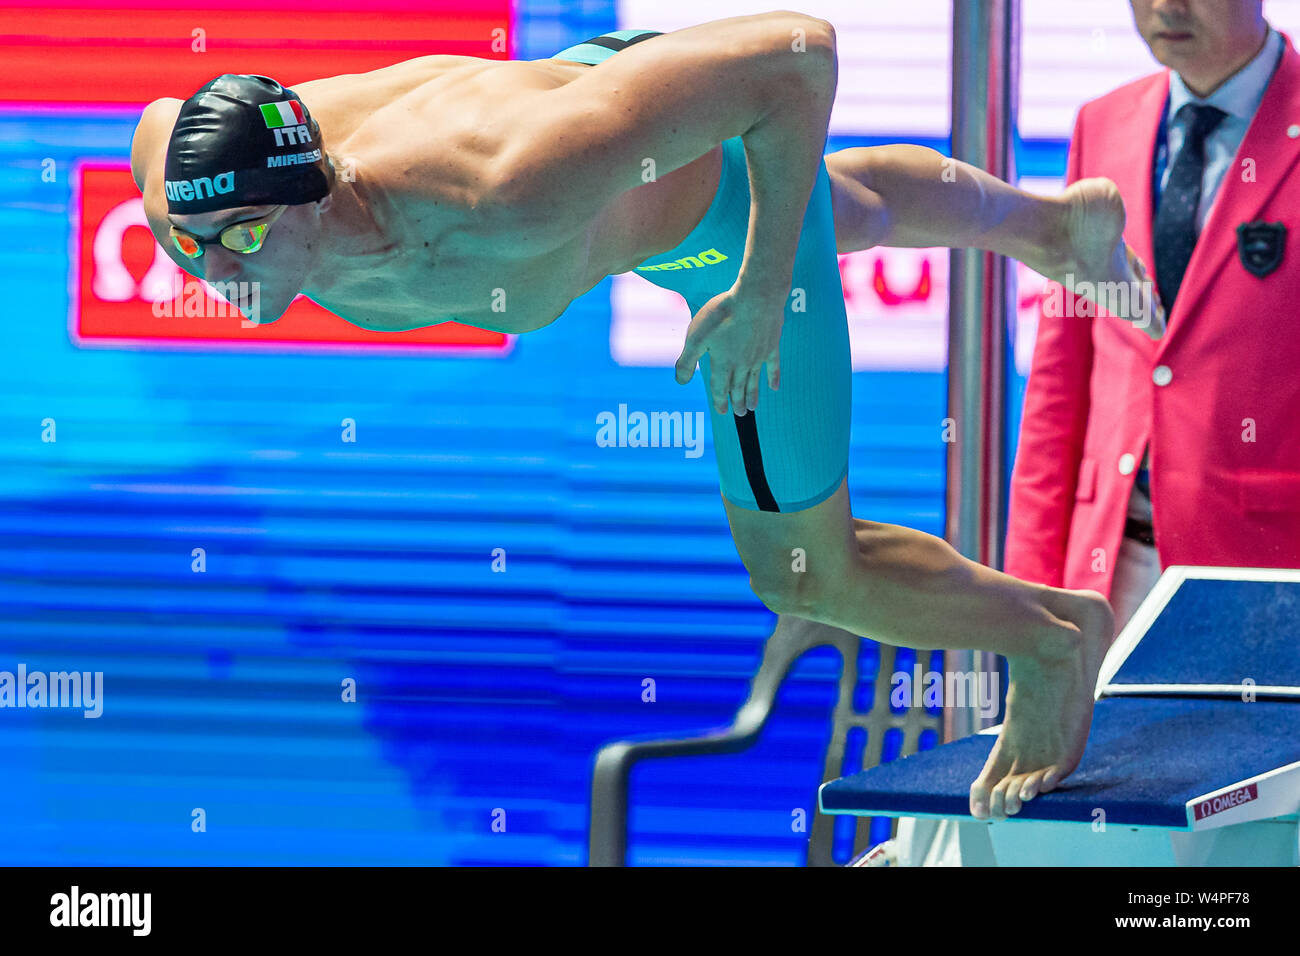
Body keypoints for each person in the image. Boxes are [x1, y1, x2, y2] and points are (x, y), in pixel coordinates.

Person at [130, 12, 1162, 820]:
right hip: (620, 137)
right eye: (194, 242)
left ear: (312, 196)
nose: (213, 270)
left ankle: (1050, 639)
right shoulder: (194, 177)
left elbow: (800, 55)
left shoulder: (504, 183)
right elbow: (159, 123)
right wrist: (199, 225)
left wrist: (761, 290)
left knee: (805, 571)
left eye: (244, 237)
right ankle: (1051, 224)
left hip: (705, 229)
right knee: (847, 205)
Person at [1006, 0, 1300, 640]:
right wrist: (1027, 586)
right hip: (1105, 567)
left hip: (1268, 575)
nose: (1166, 5)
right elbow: (1062, 375)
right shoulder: (1103, 124)